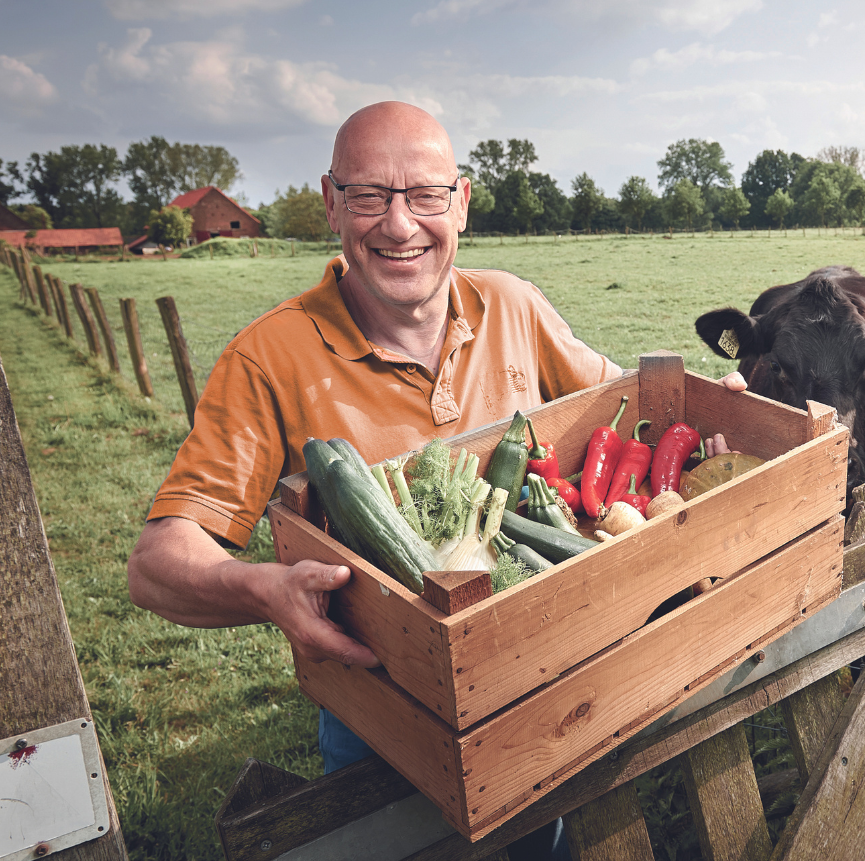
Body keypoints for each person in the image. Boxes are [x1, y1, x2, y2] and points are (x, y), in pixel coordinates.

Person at [127, 102, 741, 854]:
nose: (399, 224)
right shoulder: (268, 359)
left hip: (540, 681)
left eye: (424, 195)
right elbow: (158, 565)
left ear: (462, 203)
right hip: (387, 718)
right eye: (368, 196)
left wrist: (716, 405)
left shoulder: (512, 305)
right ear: (330, 204)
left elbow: (619, 403)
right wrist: (262, 589)